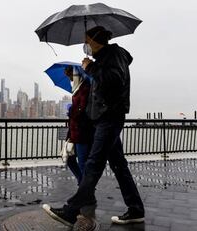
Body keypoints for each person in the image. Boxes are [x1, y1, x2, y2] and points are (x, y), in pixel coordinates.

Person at [43, 26, 145, 230]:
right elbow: (99, 88)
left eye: (87, 40)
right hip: (105, 118)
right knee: (119, 166)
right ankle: (136, 210)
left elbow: (114, 81)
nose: (85, 45)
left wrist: (91, 68)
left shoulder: (114, 55)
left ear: (95, 41)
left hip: (109, 118)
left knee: (93, 165)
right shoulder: (106, 59)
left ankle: (71, 212)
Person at [63, 66, 93, 185]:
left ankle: (85, 189)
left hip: (83, 132)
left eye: (70, 76)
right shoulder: (76, 89)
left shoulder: (85, 88)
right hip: (74, 131)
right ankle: (82, 183)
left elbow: (83, 108)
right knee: (69, 159)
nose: (70, 79)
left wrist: (72, 111)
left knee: (82, 162)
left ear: (76, 74)